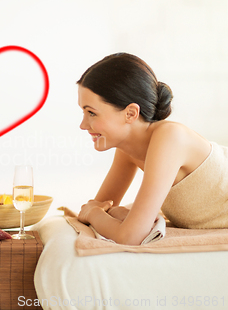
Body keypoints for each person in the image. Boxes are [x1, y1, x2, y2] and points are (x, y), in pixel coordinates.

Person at [77, 53, 228, 245]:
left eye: (91, 113)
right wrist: (110, 212)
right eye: (83, 112)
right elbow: (101, 207)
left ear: (130, 113)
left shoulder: (170, 137)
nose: (83, 125)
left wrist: (95, 215)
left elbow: (130, 236)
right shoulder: (126, 149)